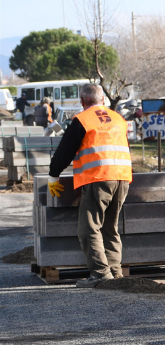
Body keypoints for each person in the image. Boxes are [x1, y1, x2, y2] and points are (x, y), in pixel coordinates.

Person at [48, 84, 132, 288]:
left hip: (98, 178)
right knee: (110, 227)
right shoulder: (119, 118)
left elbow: (65, 150)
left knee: (88, 228)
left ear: (82, 101)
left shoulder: (82, 120)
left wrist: (53, 176)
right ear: (102, 99)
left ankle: (101, 274)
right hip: (122, 177)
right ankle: (115, 271)